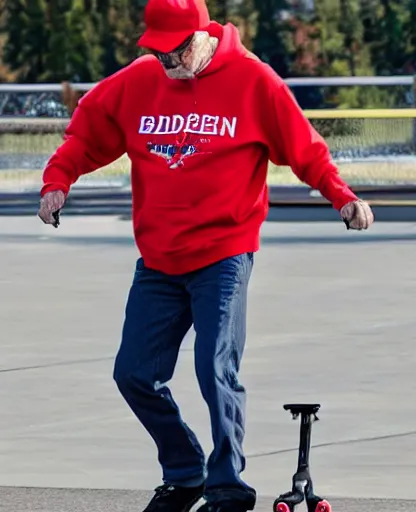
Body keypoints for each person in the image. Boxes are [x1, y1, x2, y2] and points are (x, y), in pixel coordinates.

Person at [37, 0, 374, 511]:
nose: (166, 65)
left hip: (223, 253)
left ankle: (226, 487)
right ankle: (184, 471)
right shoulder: (140, 80)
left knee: (214, 369)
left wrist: (342, 196)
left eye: (173, 54)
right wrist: (57, 181)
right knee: (133, 373)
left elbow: (304, 147)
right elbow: (89, 129)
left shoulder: (253, 81)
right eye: (157, 54)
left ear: (199, 38)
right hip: (158, 259)